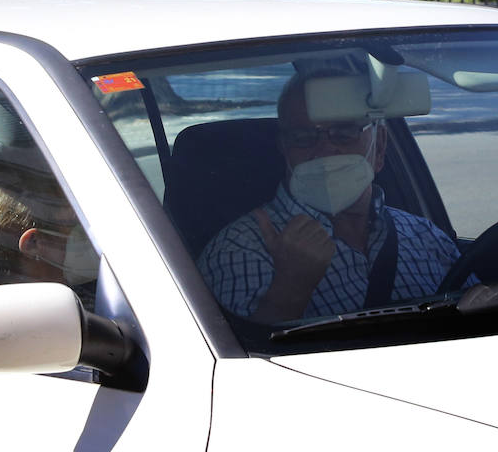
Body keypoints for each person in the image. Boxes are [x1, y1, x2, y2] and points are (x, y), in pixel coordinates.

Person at [197, 72, 464, 321]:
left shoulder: (425, 235)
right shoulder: (238, 249)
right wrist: (291, 285)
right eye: (303, 137)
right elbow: (235, 363)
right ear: (284, 148)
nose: (325, 150)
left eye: (345, 132)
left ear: (380, 146)